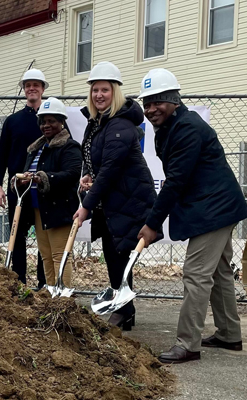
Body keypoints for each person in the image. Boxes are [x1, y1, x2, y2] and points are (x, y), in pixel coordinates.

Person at [136, 68, 247, 364]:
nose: (151, 109)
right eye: (147, 103)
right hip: (214, 205)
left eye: (158, 101)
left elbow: (176, 181)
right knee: (219, 272)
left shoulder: (186, 128)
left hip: (215, 208)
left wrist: (151, 224)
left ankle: (187, 343)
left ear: (174, 99)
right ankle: (229, 334)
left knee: (196, 274)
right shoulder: (171, 127)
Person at [72, 62, 159, 331]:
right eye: (95, 90)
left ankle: (123, 311)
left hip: (128, 199)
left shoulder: (120, 124)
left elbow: (110, 169)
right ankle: (125, 310)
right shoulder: (97, 123)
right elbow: (93, 159)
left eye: (105, 90)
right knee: (113, 254)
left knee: (120, 255)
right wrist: (88, 174)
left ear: (115, 92)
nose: (99, 95)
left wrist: (85, 206)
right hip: (112, 200)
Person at [14, 97, 82, 290]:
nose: (46, 125)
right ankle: (51, 292)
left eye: (52, 121)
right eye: (43, 121)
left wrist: (42, 177)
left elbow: (72, 174)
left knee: (60, 255)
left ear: (61, 122)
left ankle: (63, 296)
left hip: (59, 209)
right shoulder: (37, 148)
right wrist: (21, 180)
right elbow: (29, 173)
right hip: (39, 209)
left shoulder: (69, 146)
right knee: (45, 254)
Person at [0, 69, 47, 286]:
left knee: (45, 239)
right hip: (18, 189)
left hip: (44, 188)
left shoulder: (52, 118)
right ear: (24, 90)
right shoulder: (13, 121)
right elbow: (2, 156)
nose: (31, 88)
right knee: (17, 238)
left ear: (43, 89)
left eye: (36, 84)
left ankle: (46, 285)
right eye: (27, 85)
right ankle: (19, 283)